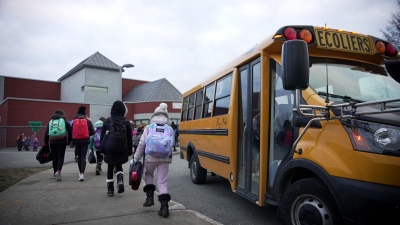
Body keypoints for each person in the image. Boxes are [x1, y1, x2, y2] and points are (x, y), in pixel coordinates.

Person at [133, 102, 174, 218]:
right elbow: (172, 144)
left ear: (154, 115)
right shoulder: (169, 129)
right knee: (162, 182)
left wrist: (136, 158)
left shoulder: (149, 127)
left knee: (149, 174)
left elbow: (141, 144)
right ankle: (164, 208)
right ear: (166, 116)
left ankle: (149, 198)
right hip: (164, 158)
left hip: (150, 158)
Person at [100, 100, 132, 196]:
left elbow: (102, 137)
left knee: (110, 166)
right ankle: (120, 181)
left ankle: (110, 189)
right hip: (122, 147)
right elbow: (129, 138)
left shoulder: (107, 121)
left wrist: (102, 149)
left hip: (109, 147)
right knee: (119, 164)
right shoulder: (126, 122)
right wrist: (129, 151)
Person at [44, 109, 72, 181]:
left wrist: (46, 143)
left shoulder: (51, 121)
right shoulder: (64, 121)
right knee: (60, 157)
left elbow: (46, 133)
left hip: (52, 141)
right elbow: (70, 130)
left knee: (55, 157)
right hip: (62, 141)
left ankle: (54, 173)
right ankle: (58, 171)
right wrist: (69, 140)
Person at [72, 106, 95, 181]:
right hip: (85, 140)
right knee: (83, 157)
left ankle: (80, 173)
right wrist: (87, 135)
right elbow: (93, 131)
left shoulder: (74, 121)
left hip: (76, 140)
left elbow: (71, 131)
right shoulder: (88, 121)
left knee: (79, 156)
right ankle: (82, 173)